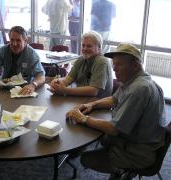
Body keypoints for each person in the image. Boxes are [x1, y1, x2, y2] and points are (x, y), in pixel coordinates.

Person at [66, 43, 169, 179]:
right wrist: (92, 104)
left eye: (119, 64)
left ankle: (123, 170)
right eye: (114, 64)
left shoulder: (138, 89)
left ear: (136, 65)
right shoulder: (139, 80)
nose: (114, 69)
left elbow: (114, 129)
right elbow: (114, 99)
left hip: (138, 153)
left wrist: (82, 118)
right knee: (96, 132)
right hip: (146, 142)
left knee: (86, 158)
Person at [0, 26, 45, 95]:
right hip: (4, 90)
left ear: (25, 41)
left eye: (18, 40)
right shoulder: (2, 51)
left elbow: (41, 76)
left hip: (23, 90)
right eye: (12, 40)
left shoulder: (32, 54)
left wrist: (33, 85)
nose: (14, 44)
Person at [48, 31, 113, 98]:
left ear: (99, 48)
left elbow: (93, 91)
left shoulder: (102, 62)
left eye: (89, 46)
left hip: (97, 104)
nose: (85, 49)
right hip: (81, 101)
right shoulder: (81, 60)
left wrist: (65, 90)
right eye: (83, 45)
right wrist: (57, 83)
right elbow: (67, 80)